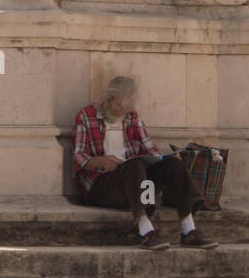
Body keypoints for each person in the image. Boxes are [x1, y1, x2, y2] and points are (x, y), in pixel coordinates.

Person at [71, 75, 218, 250]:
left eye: (126, 108)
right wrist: (100, 161)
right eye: (118, 106)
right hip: (102, 185)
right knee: (134, 166)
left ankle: (189, 230)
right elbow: (79, 157)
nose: (121, 112)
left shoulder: (132, 117)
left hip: (135, 184)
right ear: (108, 99)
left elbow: (149, 148)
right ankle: (145, 230)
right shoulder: (86, 116)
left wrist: (161, 158)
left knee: (172, 164)